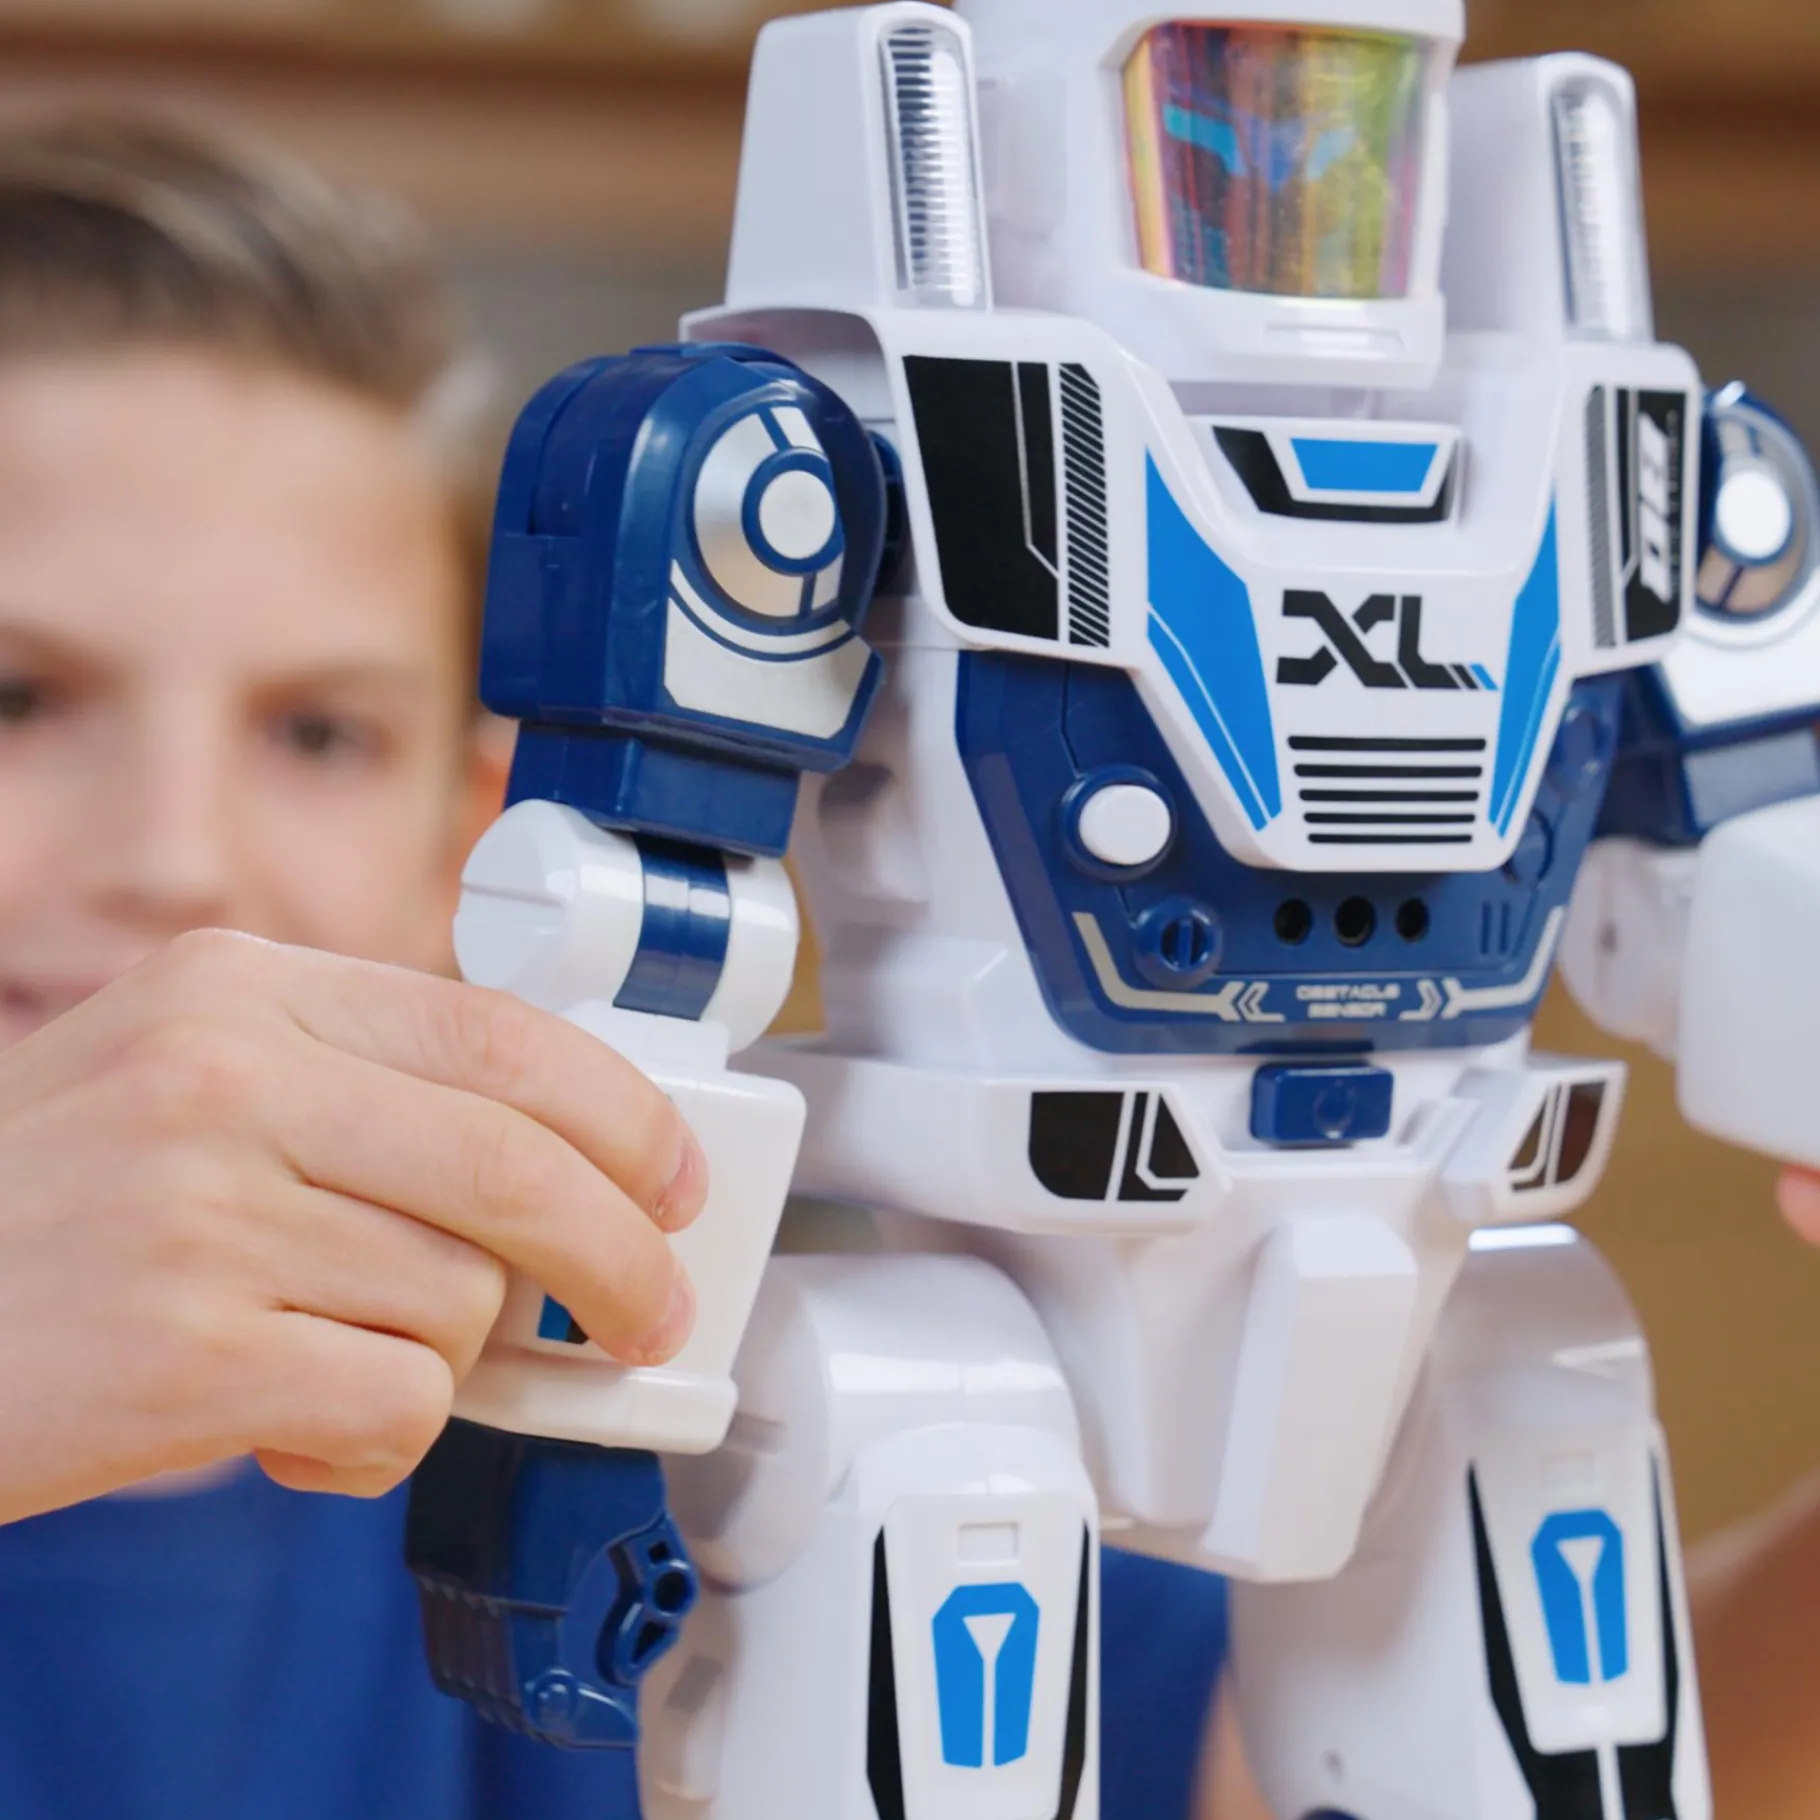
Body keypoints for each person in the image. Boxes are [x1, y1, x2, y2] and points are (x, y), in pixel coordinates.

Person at [0, 114, 697, 1817]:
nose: (175, 856)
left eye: (319, 733)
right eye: (15, 699)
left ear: (472, 855)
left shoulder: (652, 1498)